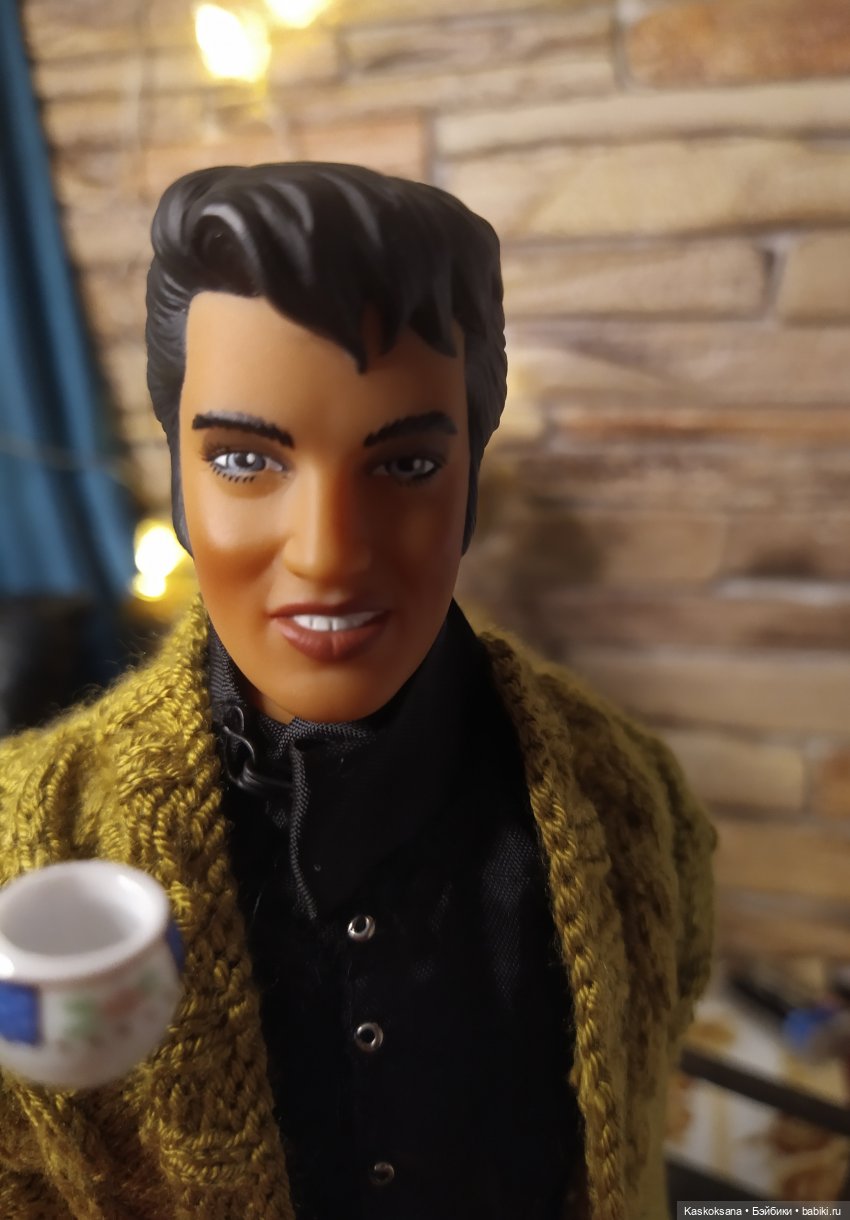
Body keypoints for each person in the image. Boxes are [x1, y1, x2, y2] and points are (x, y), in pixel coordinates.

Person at [0, 163, 716, 1220]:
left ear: (471, 476)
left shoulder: (631, 805)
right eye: (245, 460)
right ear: (179, 478)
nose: (328, 555)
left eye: (407, 466)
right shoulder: (30, 839)